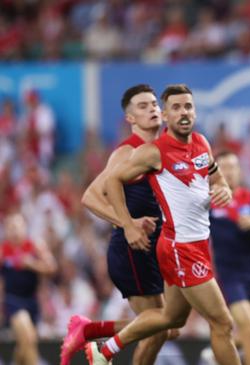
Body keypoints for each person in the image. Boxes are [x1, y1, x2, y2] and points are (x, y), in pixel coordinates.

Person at [84, 84, 241, 365]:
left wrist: (224, 189)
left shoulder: (202, 143)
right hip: (180, 248)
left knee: (171, 320)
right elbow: (110, 181)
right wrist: (128, 225)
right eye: (176, 108)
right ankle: (101, 345)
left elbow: (217, 178)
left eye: (188, 107)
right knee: (223, 323)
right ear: (166, 115)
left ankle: (105, 350)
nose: (184, 113)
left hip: (195, 243)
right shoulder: (152, 152)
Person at [61, 84, 171, 365]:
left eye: (154, 104)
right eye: (143, 106)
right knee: (161, 324)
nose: (152, 109)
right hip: (131, 249)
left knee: (167, 329)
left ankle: (90, 331)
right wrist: (129, 224)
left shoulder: (160, 148)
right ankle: (94, 336)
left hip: (152, 246)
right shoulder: (128, 152)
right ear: (130, 119)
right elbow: (90, 196)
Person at [209, 150, 250, 365]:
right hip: (227, 274)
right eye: (224, 168)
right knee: (248, 329)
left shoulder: (249, 197)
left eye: (233, 167)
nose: (230, 172)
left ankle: (214, 356)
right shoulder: (209, 200)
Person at [1, 212, 57, 365]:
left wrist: (31, 264)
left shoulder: (35, 246)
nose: (14, 231)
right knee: (28, 336)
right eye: (10, 227)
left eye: (17, 227)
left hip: (31, 301)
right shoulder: (3, 250)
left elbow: (52, 267)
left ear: (24, 227)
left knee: (26, 344)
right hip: (12, 301)